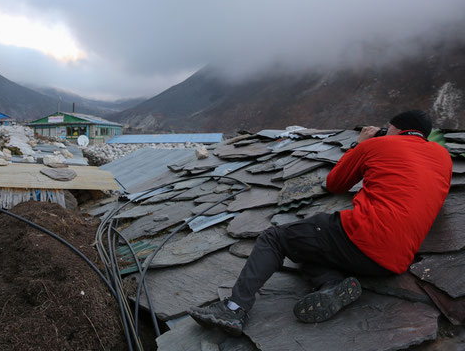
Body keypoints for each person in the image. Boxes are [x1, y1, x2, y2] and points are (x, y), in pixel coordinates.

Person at [189, 110, 452, 336]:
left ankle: (234, 309)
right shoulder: (443, 158)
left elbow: (334, 183)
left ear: (395, 128)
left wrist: (359, 145)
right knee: (307, 244)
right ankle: (332, 285)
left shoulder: (377, 145)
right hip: (392, 262)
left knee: (277, 237)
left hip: (361, 238)